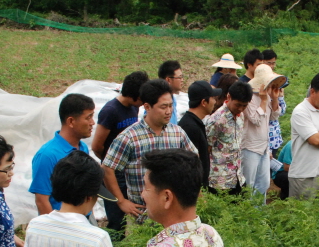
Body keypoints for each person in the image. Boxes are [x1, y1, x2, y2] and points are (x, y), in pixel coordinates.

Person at [102, 79, 198, 222]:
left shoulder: (177, 133)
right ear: (147, 106)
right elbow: (107, 168)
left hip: (173, 216)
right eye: (163, 107)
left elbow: (194, 159)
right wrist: (121, 201)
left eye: (170, 105)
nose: (168, 111)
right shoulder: (129, 137)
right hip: (142, 218)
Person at [91, 71, 149, 233]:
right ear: (132, 96)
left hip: (127, 170)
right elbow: (97, 145)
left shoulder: (133, 108)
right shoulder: (111, 111)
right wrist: (112, 163)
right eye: (141, 99)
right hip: (113, 172)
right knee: (116, 220)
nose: (143, 103)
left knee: (131, 215)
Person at [30, 93, 94, 214]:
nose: (93, 123)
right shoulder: (47, 155)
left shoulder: (83, 148)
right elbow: (42, 201)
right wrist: (55, 226)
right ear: (71, 121)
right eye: (88, 118)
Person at [242, 64, 285, 200]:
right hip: (250, 147)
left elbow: (274, 116)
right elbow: (255, 119)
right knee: (249, 184)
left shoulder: (266, 96)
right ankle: (247, 210)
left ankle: (259, 210)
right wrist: (264, 101)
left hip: (264, 147)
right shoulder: (249, 97)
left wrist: (275, 98)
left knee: (264, 183)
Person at [205, 80, 253, 195]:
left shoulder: (240, 116)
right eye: (238, 105)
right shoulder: (217, 119)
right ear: (229, 97)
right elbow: (207, 148)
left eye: (244, 106)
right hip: (219, 180)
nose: (241, 109)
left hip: (237, 177)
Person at [179, 80, 222, 189]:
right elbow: (189, 166)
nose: (215, 102)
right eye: (213, 98)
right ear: (204, 102)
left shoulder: (195, 123)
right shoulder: (190, 127)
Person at [261, 48, 285, 156]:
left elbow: (282, 111)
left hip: (274, 135)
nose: (271, 66)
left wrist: (279, 97)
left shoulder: (277, 80)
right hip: (263, 136)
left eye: (273, 63)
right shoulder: (258, 83)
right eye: (268, 63)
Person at [158, 60, 184, 125]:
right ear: (168, 80)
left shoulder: (172, 98)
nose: (182, 80)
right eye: (179, 77)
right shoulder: (157, 100)